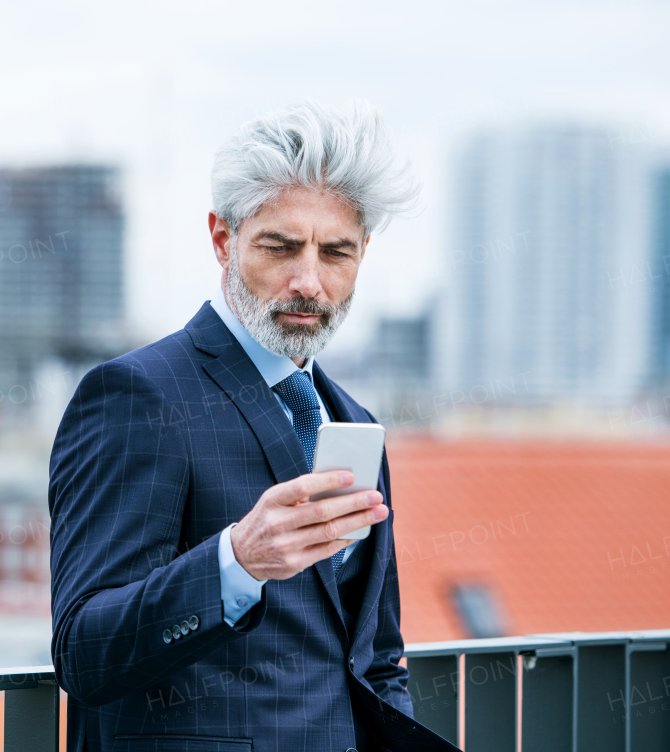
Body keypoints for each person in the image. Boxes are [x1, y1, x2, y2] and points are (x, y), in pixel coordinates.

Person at [49, 99, 458, 751]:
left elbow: (375, 658)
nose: (309, 282)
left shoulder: (355, 422)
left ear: (364, 255)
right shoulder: (137, 396)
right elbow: (84, 653)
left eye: (336, 253)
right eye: (281, 246)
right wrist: (235, 562)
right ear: (222, 238)